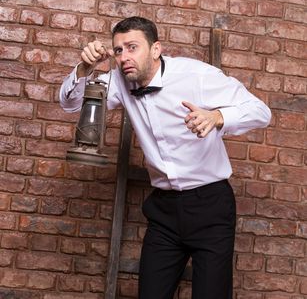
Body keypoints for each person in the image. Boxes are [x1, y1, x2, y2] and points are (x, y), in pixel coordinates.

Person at [60, 16, 271, 299]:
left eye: (132, 47)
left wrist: (218, 116)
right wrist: (85, 67)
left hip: (210, 205)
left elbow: (261, 111)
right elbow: (71, 103)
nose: (124, 57)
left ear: (156, 49)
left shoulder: (196, 75)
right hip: (164, 211)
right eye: (119, 50)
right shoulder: (121, 82)